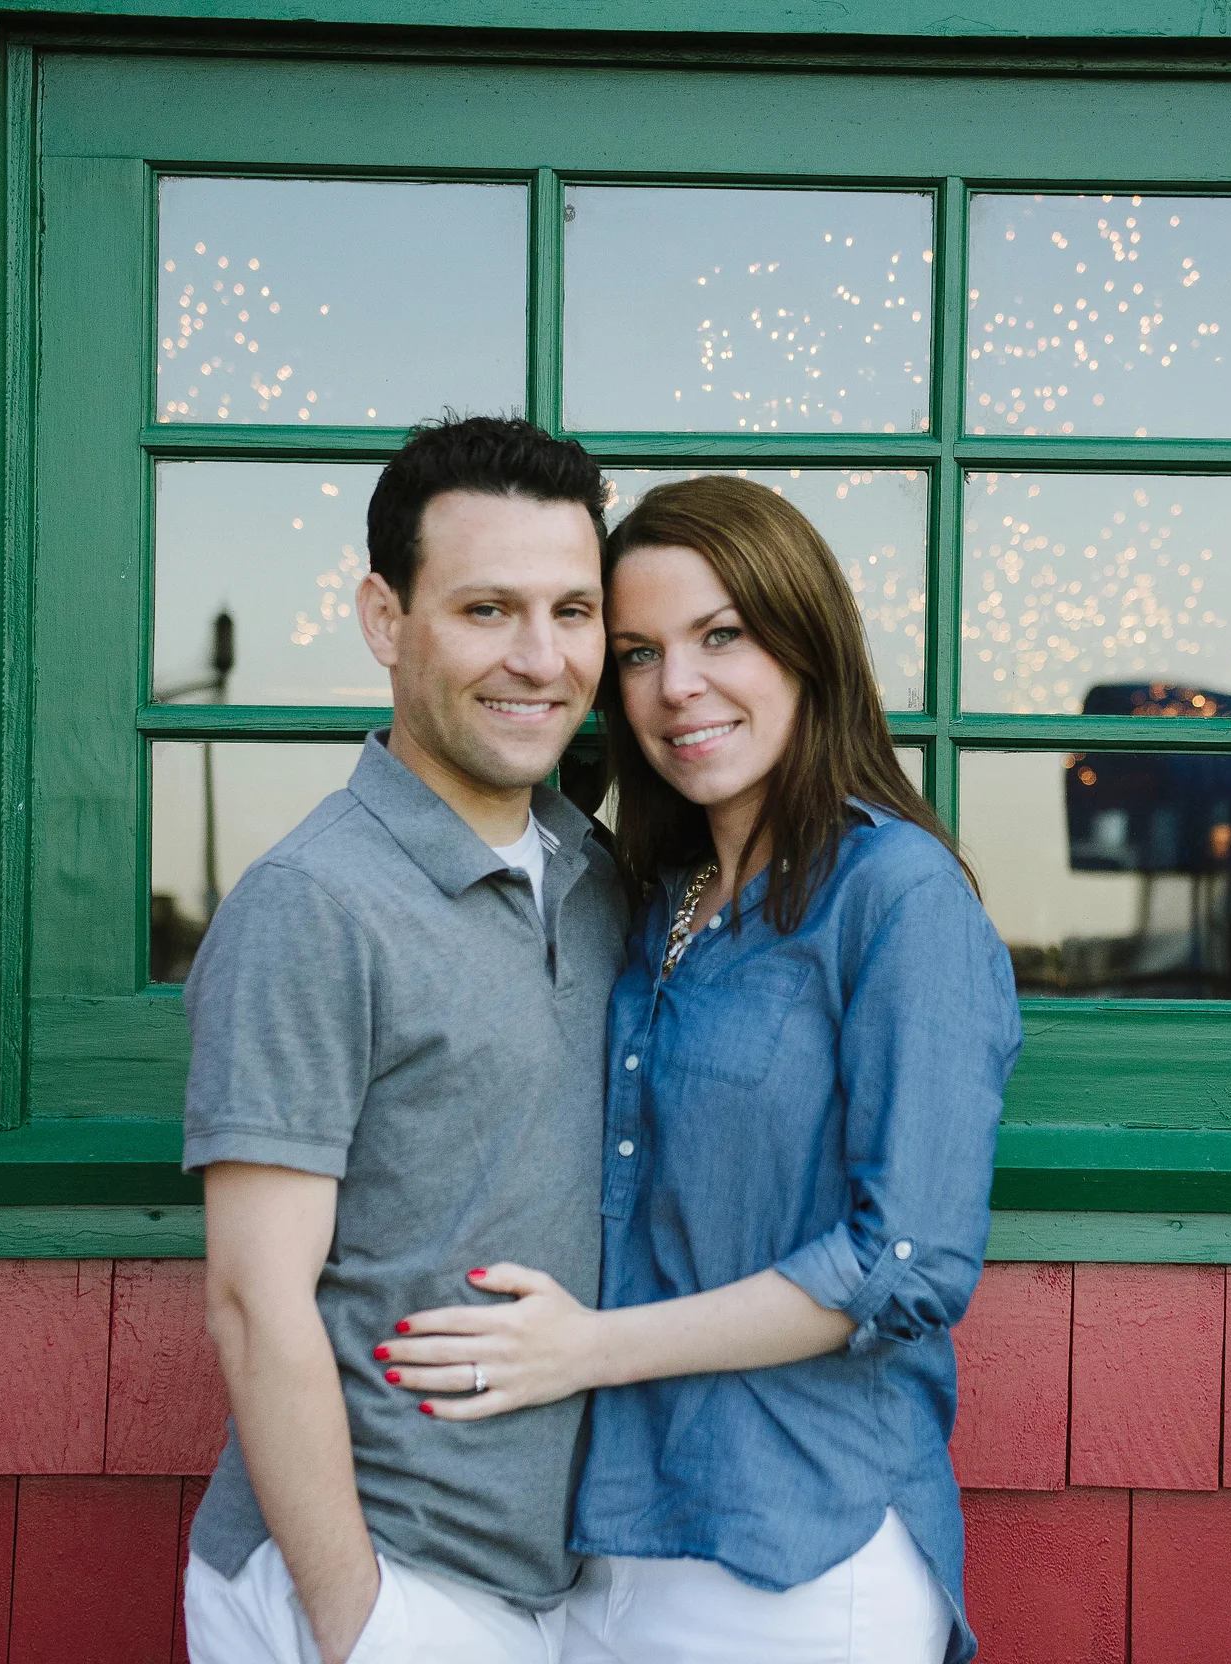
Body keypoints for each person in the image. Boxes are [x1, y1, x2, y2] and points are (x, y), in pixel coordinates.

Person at [380, 475, 1022, 1664]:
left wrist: (586, 1346)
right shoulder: (653, 898)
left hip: (797, 1549)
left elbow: (908, 1258)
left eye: (721, 634)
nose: (677, 686)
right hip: (609, 1537)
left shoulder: (896, 897)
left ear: (807, 642)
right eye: (636, 652)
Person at [179, 416, 628, 1664]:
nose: (540, 658)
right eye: (487, 609)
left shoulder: (595, 878)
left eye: (573, 611)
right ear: (386, 619)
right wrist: (356, 1619)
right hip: (388, 1576)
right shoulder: (312, 903)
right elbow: (251, 1296)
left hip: (561, 1580)